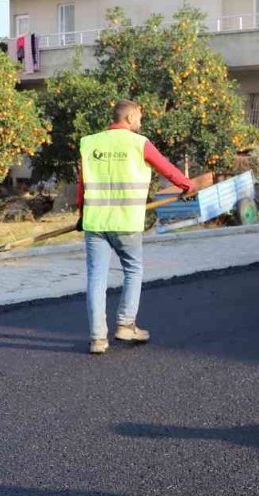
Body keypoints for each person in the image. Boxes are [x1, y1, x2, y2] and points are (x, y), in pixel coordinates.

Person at [77, 99, 194, 355]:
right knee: (133, 269)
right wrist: (187, 185)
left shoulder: (89, 142)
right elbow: (167, 169)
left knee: (96, 277)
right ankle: (126, 324)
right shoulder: (139, 143)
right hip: (126, 222)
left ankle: (98, 338)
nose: (140, 123)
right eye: (139, 117)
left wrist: (80, 214)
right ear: (129, 118)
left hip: (95, 222)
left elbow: (82, 185)